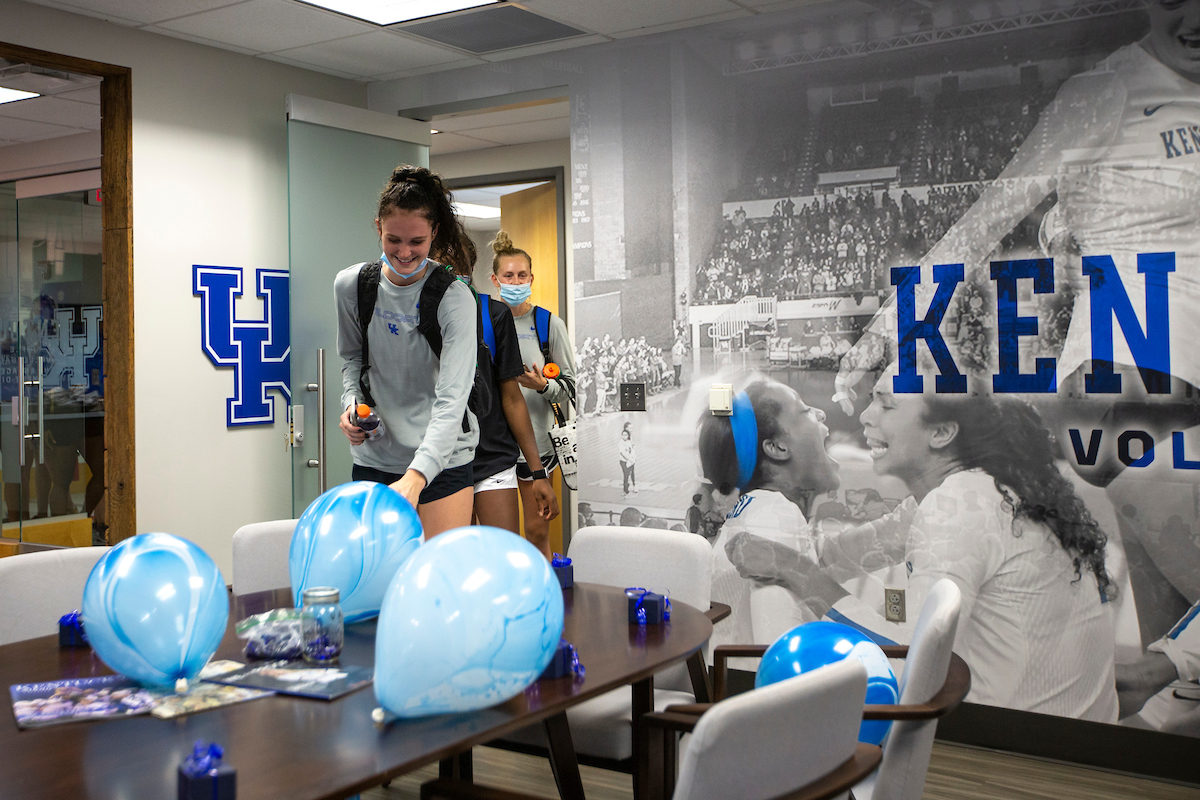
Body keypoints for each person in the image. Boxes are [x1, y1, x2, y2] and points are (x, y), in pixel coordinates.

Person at [730, 369, 1120, 722]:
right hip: (1063, 741)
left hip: (1012, 761)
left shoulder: (958, 506)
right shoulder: (978, 491)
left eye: (885, 404)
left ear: (941, 433)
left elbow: (911, 664)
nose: (866, 416)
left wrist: (794, 570)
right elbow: (837, 557)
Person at [335, 166, 478, 538]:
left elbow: (452, 398)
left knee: (435, 578)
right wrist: (350, 406)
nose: (404, 252)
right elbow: (352, 359)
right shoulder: (352, 285)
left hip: (442, 462)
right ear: (378, 227)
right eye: (393, 239)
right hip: (375, 458)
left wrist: (417, 476)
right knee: (376, 580)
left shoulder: (454, 297)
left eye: (416, 242)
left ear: (434, 233)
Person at [698, 378, 841, 663]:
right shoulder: (775, 520)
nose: (821, 413)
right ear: (777, 448)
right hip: (751, 700)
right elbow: (782, 666)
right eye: (805, 410)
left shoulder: (757, 512)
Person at [444, 258, 559, 538]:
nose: (453, 276)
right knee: (457, 560)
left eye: (459, 268)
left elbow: (512, 398)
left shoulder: (495, 316)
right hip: (442, 460)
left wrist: (538, 472)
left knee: (507, 553)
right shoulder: (422, 317)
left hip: (493, 457)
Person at [489, 231, 576, 558]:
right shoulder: (484, 322)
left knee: (537, 531)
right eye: (508, 276)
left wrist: (541, 385)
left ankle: (543, 601)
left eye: (521, 275)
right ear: (495, 280)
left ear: (531, 278)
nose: (515, 281)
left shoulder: (548, 324)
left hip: (537, 449)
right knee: (496, 536)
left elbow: (571, 390)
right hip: (492, 448)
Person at [618, 425, 637, 495]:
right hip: (624, 461)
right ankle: (625, 489)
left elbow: (633, 449)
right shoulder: (620, 443)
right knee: (626, 474)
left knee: (632, 473)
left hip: (631, 460)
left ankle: (634, 485)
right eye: (623, 435)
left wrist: (633, 458)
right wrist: (629, 459)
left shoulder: (630, 441)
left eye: (626, 435)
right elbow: (622, 453)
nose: (624, 436)